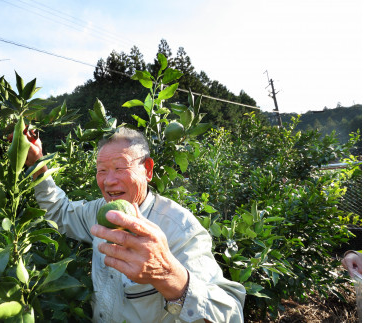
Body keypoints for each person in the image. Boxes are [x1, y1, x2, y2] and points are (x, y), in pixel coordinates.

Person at [25, 127, 246, 323]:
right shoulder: (100, 211)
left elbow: (231, 313)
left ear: (148, 170)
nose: (109, 180)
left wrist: (168, 275)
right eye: (101, 170)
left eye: (120, 168)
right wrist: (37, 163)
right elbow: (60, 211)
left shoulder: (179, 229)